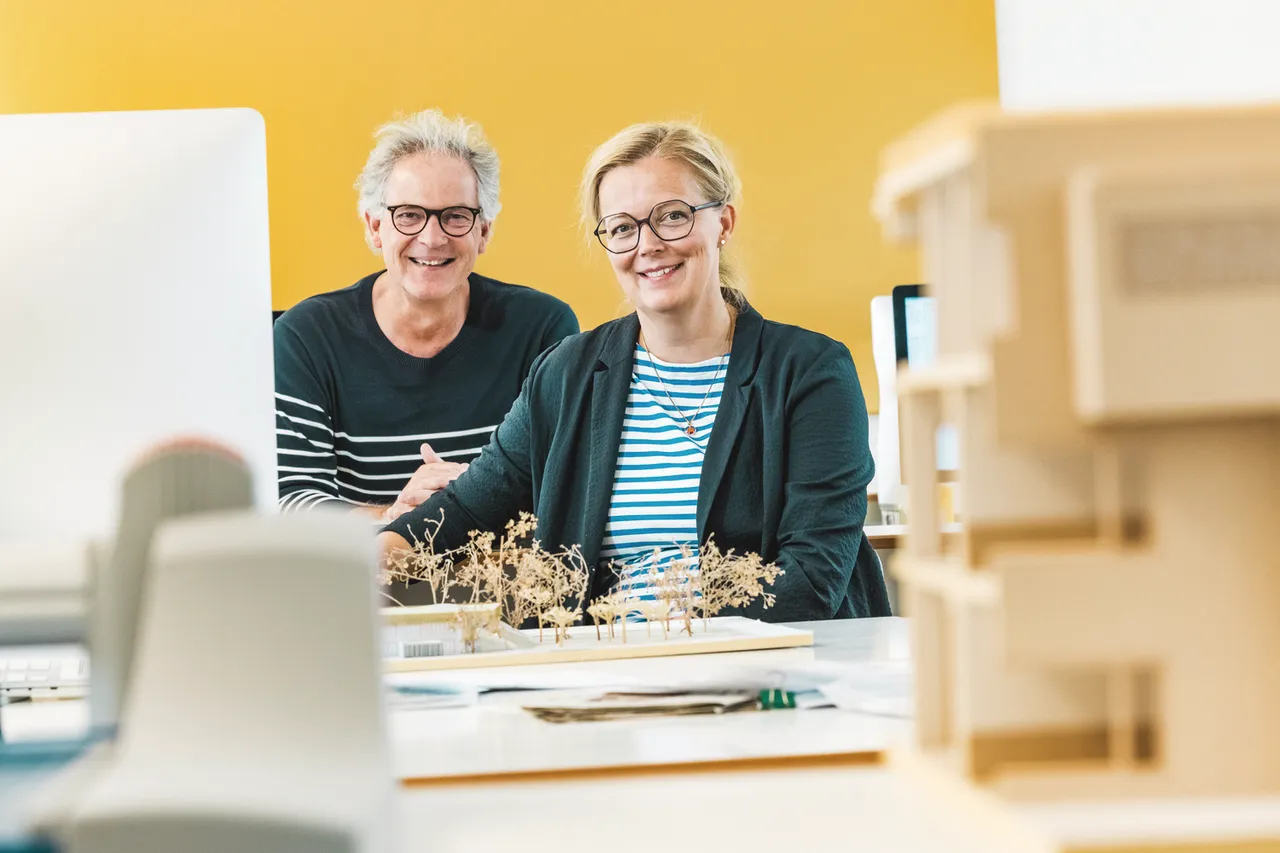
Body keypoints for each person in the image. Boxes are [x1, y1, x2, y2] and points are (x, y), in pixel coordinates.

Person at [378, 121, 889, 621]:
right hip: (611, 671)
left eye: (672, 216)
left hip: (775, 671)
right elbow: (465, 512)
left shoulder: (811, 373)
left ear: (724, 223)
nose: (647, 245)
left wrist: (658, 626)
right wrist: (372, 558)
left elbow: (813, 578)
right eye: (622, 228)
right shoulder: (566, 374)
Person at [273, 109, 579, 525]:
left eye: (455, 216)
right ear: (375, 227)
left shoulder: (542, 329)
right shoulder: (306, 337)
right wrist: (394, 518)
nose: (432, 239)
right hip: (361, 579)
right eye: (409, 215)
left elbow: (566, 487)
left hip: (503, 577)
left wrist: (470, 500)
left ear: (483, 231)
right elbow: (290, 500)